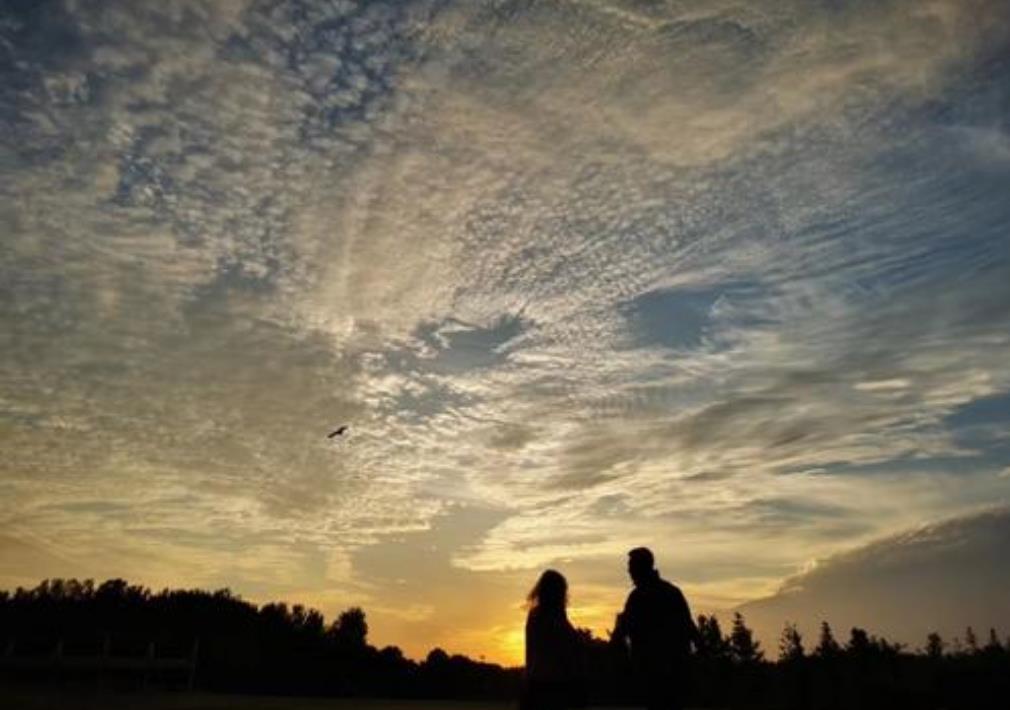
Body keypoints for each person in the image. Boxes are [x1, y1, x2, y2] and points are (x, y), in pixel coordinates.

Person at [611, 547, 699, 710]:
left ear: (640, 568)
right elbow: (691, 629)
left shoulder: (637, 598)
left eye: (631, 566)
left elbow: (621, 635)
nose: (628, 571)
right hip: (675, 675)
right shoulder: (672, 593)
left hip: (652, 676)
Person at [522, 569, 585, 710]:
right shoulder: (552, 617)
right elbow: (570, 643)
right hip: (551, 685)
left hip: (536, 683)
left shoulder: (537, 615)